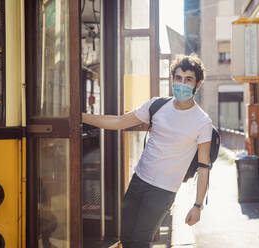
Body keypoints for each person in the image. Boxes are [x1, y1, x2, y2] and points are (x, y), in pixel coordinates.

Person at [82, 54, 212, 248]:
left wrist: (198, 205)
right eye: (178, 78)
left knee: (139, 241)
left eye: (188, 79)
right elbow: (119, 122)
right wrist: (82, 117)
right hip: (139, 180)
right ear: (172, 79)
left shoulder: (202, 122)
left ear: (197, 84)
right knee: (125, 238)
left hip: (163, 191)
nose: (182, 84)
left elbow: (204, 168)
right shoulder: (156, 105)